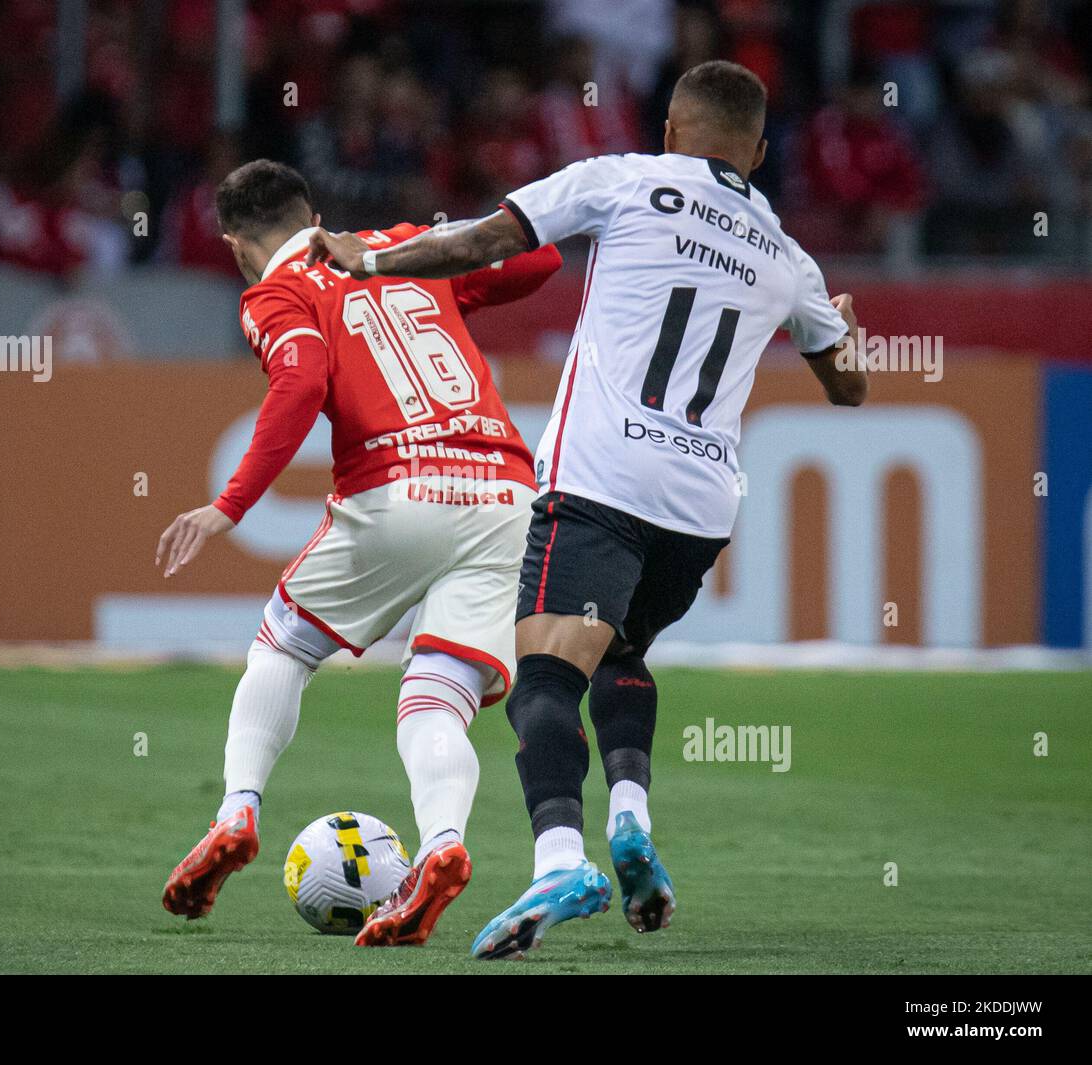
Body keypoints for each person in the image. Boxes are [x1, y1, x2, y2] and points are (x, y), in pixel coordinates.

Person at [307, 60, 868, 959]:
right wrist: (842, 326)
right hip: (700, 507)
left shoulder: (623, 179)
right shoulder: (788, 256)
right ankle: (633, 818)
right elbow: (847, 387)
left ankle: (560, 859)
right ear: (758, 153)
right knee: (624, 650)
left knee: (543, 681)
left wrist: (367, 259)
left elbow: (480, 242)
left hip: (604, 483)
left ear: (672, 131)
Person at [156, 160, 562, 947]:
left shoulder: (275, 291)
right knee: (437, 693)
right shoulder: (403, 246)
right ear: (312, 210)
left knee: (285, 640)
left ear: (237, 244)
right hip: (508, 490)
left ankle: (238, 809)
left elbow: (302, 380)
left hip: (398, 483)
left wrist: (228, 504)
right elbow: (537, 259)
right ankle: (441, 845)